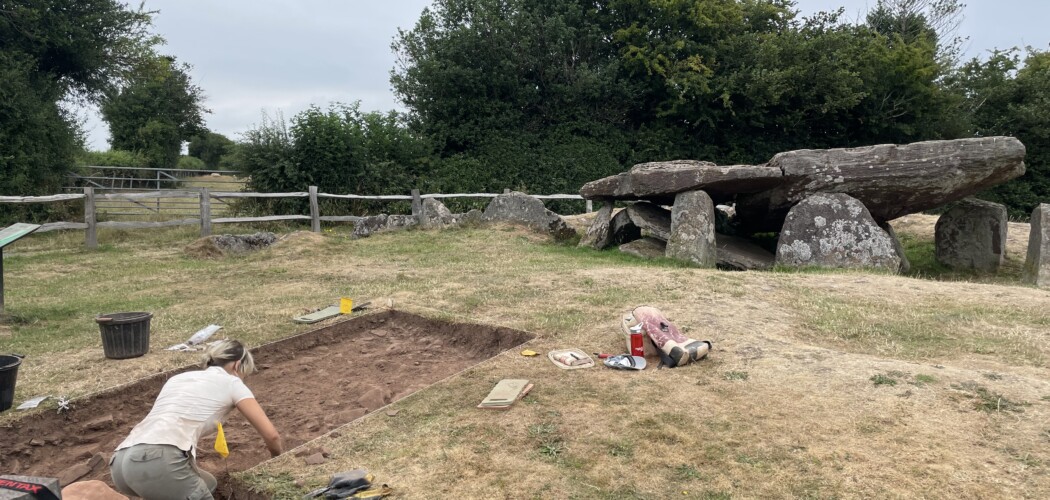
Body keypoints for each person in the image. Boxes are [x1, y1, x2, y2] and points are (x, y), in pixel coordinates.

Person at [109, 340, 283, 500]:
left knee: (208, 484)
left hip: (121, 461)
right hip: (158, 460)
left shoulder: (177, 379)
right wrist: (277, 459)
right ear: (238, 365)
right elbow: (272, 436)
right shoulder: (232, 382)